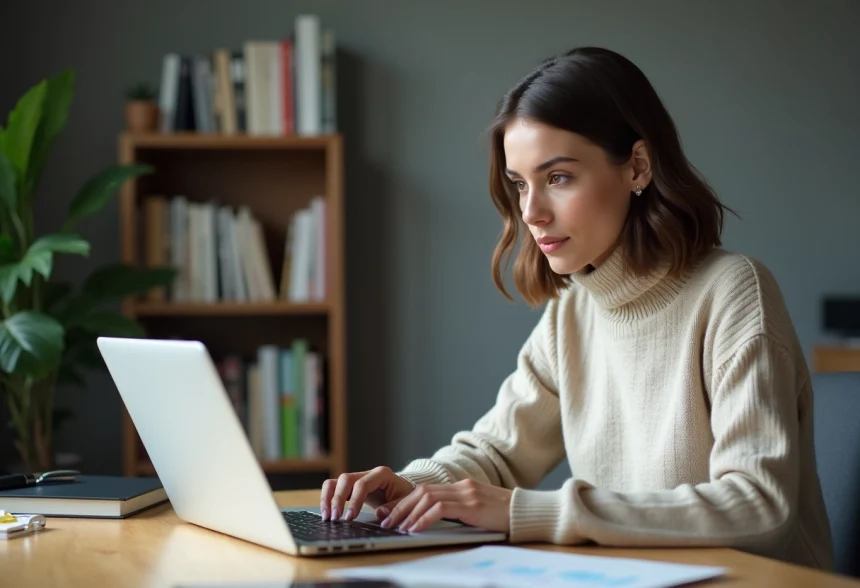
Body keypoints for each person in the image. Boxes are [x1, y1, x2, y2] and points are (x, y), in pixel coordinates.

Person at [319, 46, 833, 570]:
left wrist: (528, 512)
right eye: (520, 183)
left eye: (558, 177)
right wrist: (413, 485)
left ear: (637, 166)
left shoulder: (734, 292)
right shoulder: (574, 311)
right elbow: (499, 451)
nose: (531, 212)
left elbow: (759, 509)